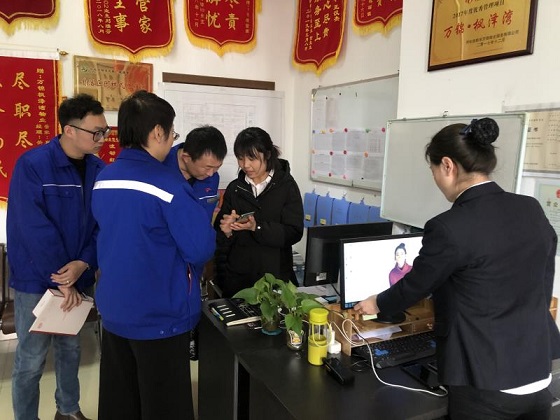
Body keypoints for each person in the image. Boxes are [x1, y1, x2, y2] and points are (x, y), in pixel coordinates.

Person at [354, 118, 560, 419]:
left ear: (448, 166)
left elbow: (416, 285)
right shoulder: (530, 208)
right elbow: (543, 278)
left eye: (433, 170)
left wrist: (377, 303)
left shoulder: (449, 227)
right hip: (538, 372)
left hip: (485, 379)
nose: (436, 180)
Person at [91, 90, 215, 420]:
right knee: (164, 406)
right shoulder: (168, 185)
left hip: (115, 311)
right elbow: (200, 248)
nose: (172, 139)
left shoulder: (104, 178)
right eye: (172, 133)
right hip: (160, 317)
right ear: (158, 132)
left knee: (122, 402)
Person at [7, 93, 108, 420]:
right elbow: (32, 227)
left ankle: (68, 410)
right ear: (69, 130)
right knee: (31, 358)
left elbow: (102, 224)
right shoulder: (34, 165)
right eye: (96, 132)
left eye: (105, 131)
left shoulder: (99, 170)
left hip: (78, 277)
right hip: (37, 281)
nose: (102, 139)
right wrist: (62, 277)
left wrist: (83, 264)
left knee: (71, 348)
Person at [214, 126, 304, 297]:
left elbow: (294, 232)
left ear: (268, 154)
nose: (245, 165)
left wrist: (257, 227)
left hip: (274, 279)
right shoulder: (235, 188)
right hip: (238, 281)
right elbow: (220, 237)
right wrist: (226, 231)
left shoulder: (286, 186)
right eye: (240, 158)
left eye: (252, 158)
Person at [163, 124, 227, 359]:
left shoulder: (210, 177)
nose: (212, 174)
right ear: (187, 157)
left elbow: (203, 220)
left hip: (194, 262)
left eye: (217, 168)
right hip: (166, 264)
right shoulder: (160, 169)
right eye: (207, 167)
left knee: (187, 317)